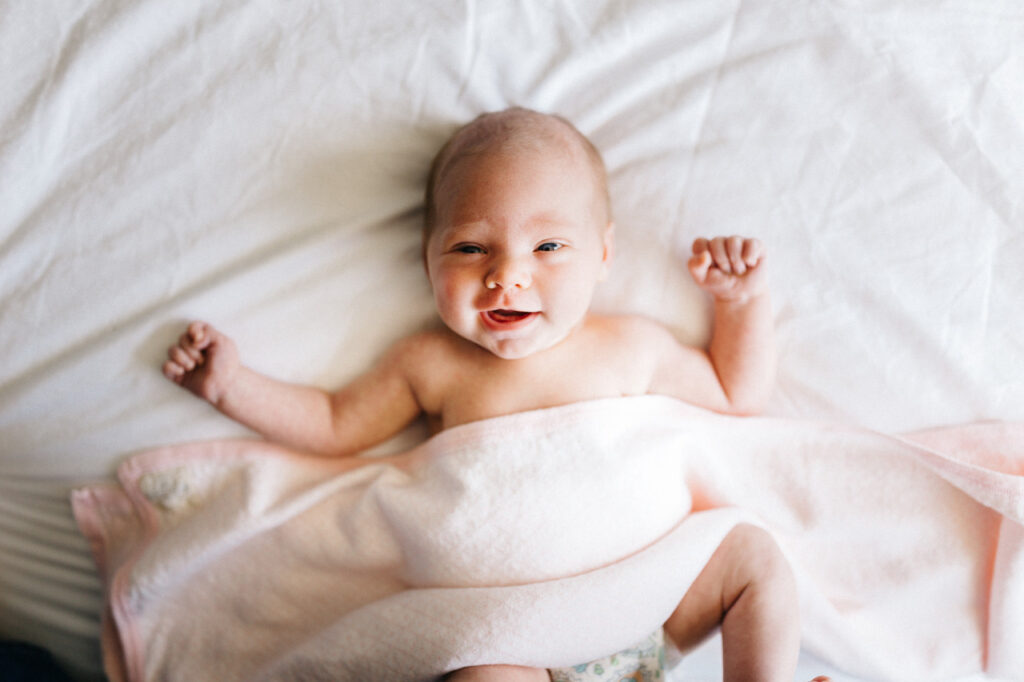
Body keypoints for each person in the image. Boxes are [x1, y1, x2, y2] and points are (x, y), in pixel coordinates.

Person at [163, 107, 827, 682]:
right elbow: (336, 423)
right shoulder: (431, 361)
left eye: (547, 245)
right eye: (472, 247)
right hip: (513, 640)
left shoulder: (630, 345)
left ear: (602, 255)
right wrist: (231, 386)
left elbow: (735, 395)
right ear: (428, 260)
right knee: (481, 673)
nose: (508, 275)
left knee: (752, 555)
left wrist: (742, 304)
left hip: (648, 603)